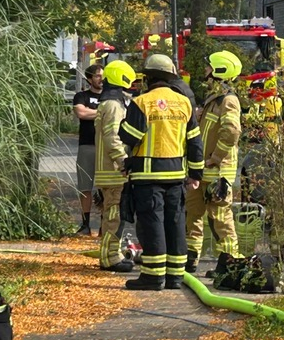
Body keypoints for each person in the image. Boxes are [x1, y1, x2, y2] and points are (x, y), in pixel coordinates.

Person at [118, 53, 204, 291]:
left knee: (152, 222)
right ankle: (175, 276)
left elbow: (130, 136)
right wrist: (196, 175)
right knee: (175, 223)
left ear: (148, 78)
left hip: (148, 177)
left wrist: (123, 124)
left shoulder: (141, 102)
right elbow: (195, 142)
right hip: (176, 176)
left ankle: (154, 277)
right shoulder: (184, 103)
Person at [186, 51, 244, 273]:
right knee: (193, 214)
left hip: (217, 172)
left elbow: (231, 132)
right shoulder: (214, 100)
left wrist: (215, 157)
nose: (205, 72)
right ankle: (190, 259)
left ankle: (229, 263)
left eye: (209, 68)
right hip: (202, 171)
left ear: (219, 71)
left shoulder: (228, 100)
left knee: (220, 218)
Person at [94, 60, 138, 272]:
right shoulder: (112, 105)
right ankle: (109, 257)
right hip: (113, 170)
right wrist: (123, 161)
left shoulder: (112, 102)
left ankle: (114, 253)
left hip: (110, 169)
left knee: (115, 214)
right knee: (113, 215)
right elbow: (112, 137)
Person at [72, 63, 105, 235]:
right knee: (85, 187)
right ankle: (85, 224)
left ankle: (103, 225)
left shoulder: (109, 96)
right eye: (98, 76)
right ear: (90, 78)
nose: (101, 79)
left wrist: (93, 112)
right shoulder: (81, 96)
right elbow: (81, 113)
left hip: (104, 147)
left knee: (104, 187)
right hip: (86, 146)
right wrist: (103, 112)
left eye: (103, 75)